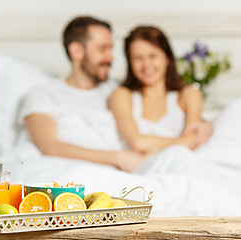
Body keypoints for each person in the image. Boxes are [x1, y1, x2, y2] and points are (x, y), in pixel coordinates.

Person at [21, 16, 145, 172]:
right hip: (70, 173)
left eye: (111, 49)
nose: (111, 57)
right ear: (76, 51)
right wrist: (119, 158)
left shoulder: (116, 93)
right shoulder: (43, 95)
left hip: (119, 176)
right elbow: (49, 146)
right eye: (102, 49)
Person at [109, 26, 213, 155]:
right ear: (130, 63)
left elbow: (192, 140)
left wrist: (151, 151)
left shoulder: (189, 94)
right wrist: (181, 141)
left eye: (153, 56)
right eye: (138, 58)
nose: (146, 64)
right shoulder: (121, 95)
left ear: (167, 58)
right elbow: (137, 142)